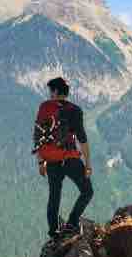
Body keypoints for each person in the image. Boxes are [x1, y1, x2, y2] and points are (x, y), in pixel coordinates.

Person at [33, 77, 94, 239]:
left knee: (54, 196)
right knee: (87, 191)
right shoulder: (74, 110)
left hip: (51, 161)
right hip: (70, 159)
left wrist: (41, 161)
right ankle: (71, 224)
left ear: (55, 92)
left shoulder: (44, 108)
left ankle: (54, 232)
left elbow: (38, 136)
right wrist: (88, 164)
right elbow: (82, 139)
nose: (49, 94)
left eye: (50, 91)